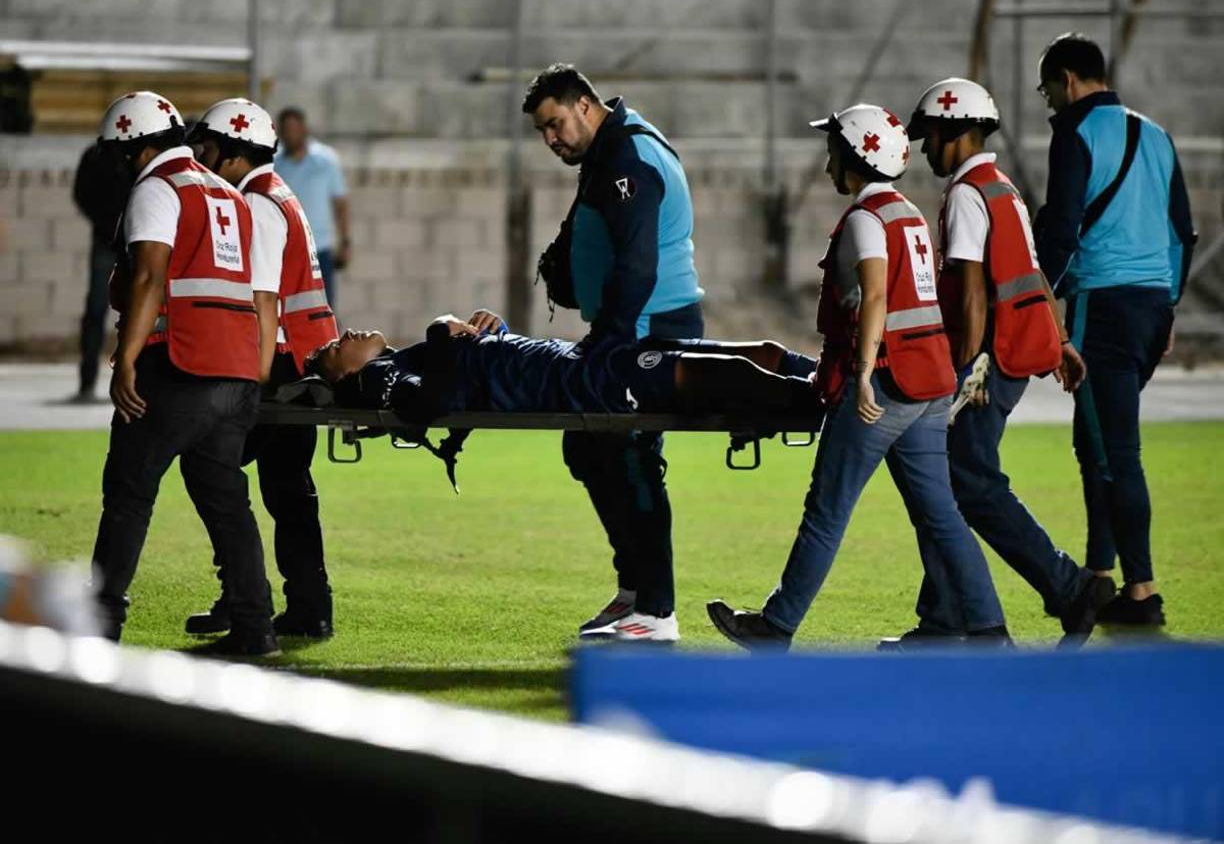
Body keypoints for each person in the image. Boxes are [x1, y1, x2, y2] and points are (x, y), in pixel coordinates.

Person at [706, 104, 1010, 651]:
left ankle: (775, 626)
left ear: (855, 157)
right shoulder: (909, 214)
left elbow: (874, 296)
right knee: (941, 514)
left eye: (834, 154)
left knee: (826, 510)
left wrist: (865, 375)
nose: (828, 166)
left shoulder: (866, 220)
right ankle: (990, 630)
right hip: (930, 382)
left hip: (888, 384)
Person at [884, 77, 1112, 650]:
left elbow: (972, 293)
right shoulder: (1001, 187)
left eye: (930, 137)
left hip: (987, 361)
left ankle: (1070, 588)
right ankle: (942, 621)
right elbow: (1031, 271)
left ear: (955, 132)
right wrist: (1058, 339)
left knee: (968, 481)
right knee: (953, 482)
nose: (924, 148)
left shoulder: (965, 194)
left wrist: (961, 372)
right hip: (1013, 351)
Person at [524, 63, 720, 643]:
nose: (551, 138)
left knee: (627, 453)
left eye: (555, 123)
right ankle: (636, 593)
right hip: (631, 327)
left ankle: (656, 610)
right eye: (541, 129)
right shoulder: (615, 149)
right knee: (589, 446)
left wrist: (606, 346)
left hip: (646, 329)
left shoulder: (627, 159)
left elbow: (637, 267)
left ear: (584, 105)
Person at [89, 90, 276, 655]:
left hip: (177, 367)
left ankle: (100, 625)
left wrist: (125, 358)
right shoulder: (228, 193)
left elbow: (149, 277)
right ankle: (254, 624)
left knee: (128, 493)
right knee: (226, 499)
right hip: (235, 373)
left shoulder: (157, 189)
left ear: (133, 151)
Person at [1033, 33, 1196, 627]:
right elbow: (1184, 232)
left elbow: (1063, 230)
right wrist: (1170, 305)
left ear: (1069, 80)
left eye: (1048, 87)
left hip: (1101, 304)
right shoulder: (1157, 134)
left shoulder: (1074, 133)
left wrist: (1034, 299)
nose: (1048, 100)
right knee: (1096, 444)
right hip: (1153, 305)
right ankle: (1100, 577)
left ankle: (1141, 593)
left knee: (1116, 453)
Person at [184, 99, 340, 639]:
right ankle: (306, 606)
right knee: (285, 487)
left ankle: (251, 598)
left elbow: (263, 301)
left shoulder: (258, 204)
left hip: (282, 371)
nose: (199, 155)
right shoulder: (278, 194)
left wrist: (250, 383)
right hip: (303, 364)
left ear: (232, 152)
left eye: (206, 146)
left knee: (215, 469)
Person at [303, 314, 822, 431]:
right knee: (723, 370)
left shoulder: (404, 360)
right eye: (331, 351)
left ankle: (829, 376)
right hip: (574, 382)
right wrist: (443, 330)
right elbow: (431, 404)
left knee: (761, 350)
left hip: (576, 357)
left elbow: (465, 368)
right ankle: (822, 399)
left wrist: (491, 330)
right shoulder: (383, 380)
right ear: (346, 378)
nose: (341, 336)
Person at [70, 141, 131, 401]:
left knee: (136, 310)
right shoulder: (98, 156)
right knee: (96, 310)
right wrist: (109, 225)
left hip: (132, 242)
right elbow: (83, 194)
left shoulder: (135, 151)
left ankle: (134, 380)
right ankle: (88, 381)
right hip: (109, 241)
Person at [273, 107, 350, 308]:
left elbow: (340, 203)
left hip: (320, 247)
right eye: (286, 130)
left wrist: (345, 241)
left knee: (323, 305)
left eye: (294, 128)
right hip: (287, 248)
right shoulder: (275, 163)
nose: (290, 134)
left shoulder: (326, 160)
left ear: (304, 129)